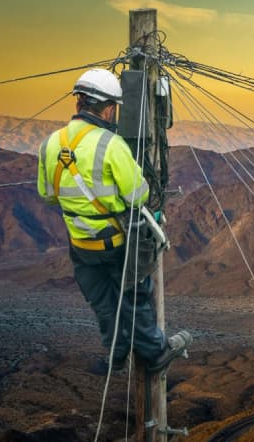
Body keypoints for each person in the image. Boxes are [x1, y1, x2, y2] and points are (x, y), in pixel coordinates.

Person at [37, 68, 190, 373]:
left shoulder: (50, 144)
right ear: (107, 107)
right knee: (134, 295)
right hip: (116, 241)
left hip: (80, 243)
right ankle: (155, 353)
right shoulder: (111, 145)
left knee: (103, 302)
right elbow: (138, 195)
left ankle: (116, 352)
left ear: (80, 103)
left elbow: (48, 195)